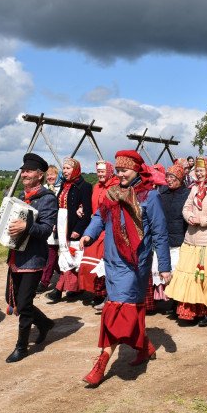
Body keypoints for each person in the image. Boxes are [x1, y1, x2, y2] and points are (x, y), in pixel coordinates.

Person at [79, 150, 171, 386]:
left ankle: (102, 361)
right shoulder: (111, 192)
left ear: (136, 170)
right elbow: (100, 216)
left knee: (119, 310)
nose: (120, 174)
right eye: (118, 170)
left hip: (135, 264)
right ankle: (146, 347)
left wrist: (165, 267)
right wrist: (89, 234)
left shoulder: (150, 197)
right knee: (127, 308)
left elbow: (160, 234)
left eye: (124, 170)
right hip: (112, 260)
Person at [165, 157, 207, 326]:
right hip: (191, 238)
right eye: (198, 171)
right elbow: (186, 207)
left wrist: (202, 220)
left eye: (202, 171)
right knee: (189, 275)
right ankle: (190, 312)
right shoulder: (195, 188)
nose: (200, 173)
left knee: (205, 277)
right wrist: (190, 217)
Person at [4, 153, 58, 362]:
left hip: (34, 259)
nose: (24, 174)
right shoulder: (19, 195)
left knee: (24, 304)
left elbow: (45, 230)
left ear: (40, 175)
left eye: (29, 171)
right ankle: (44, 323)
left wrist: (26, 227)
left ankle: (22, 347)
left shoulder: (47, 199)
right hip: (15, 256)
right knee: (12, 299)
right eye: (23, 170)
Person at [46, 158, 93, 302]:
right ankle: (73, 287)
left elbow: (86, 209)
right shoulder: (64, 185)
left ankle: (60, 289)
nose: (65, 171)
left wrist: (79, 228)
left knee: (74, 256)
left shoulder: (84, 186)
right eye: (64, 168)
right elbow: (58, 206)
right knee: (65, 254)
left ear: (76, 170)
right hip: (61, 224)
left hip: (73, 224)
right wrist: (54, 223)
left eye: (68, 168)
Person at [79, 160, 119, 310]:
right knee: (89, 263)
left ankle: (104, 295)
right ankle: (97, 293)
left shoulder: (115, 187)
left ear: (109, 171)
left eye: (103, 171)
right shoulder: (96, 187)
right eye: (98, 171)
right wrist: (82, 208)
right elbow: (93, 206)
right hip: (96, 228)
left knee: (103, 263)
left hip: (109, 229)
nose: (100, 174)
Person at [154, 163, 191, 317]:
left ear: (180, 178)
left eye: (172, 177)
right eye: (167, 176)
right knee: (165, 271)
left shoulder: (187, 193)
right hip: (164, 237)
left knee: (177, 272)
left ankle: (178, 304)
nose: (169, 180)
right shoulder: (162, 192)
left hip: (180, 238)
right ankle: (171, 301)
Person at [38, 165, 61, 293]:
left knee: (51, 253)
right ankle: (66, 274)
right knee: (51, 255)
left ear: (58, 175)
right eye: (48, 175)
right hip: (45, 225)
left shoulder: (61, 189)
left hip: (58, 225)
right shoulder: (44, 189)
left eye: (53, 175)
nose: (50, 177)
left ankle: (44, 282)